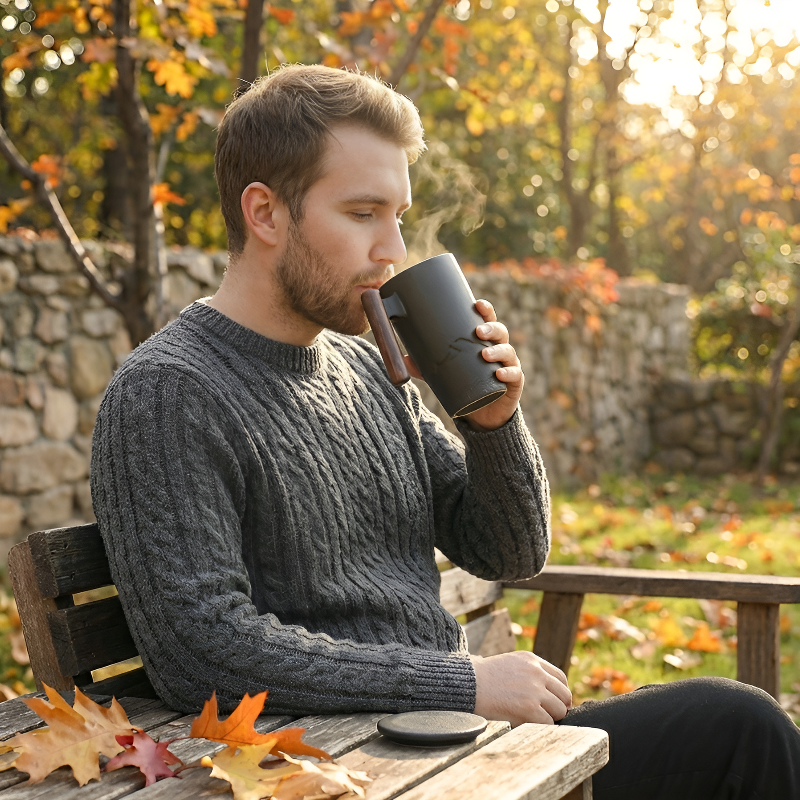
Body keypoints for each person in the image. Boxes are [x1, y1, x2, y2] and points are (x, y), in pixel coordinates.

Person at [91, 65, 800, 799]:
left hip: (459, 751)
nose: (392, 248)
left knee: (742, 727)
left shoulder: (366, 371)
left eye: (398, 215)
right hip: (350, 771)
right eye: (364, 213)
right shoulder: (169, 392)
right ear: (266, 214)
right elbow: (201, 651)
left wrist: (493, 423)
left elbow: (508, 551)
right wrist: (459, 681)